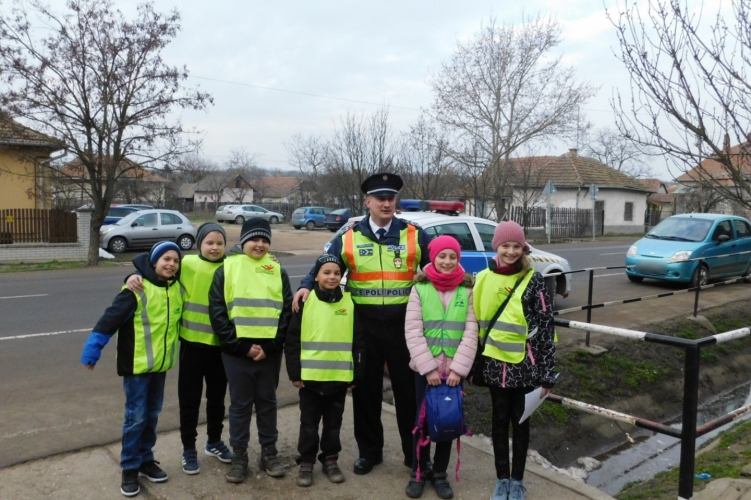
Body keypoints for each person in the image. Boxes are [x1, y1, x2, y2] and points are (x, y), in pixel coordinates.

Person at [293, 172, 432, 475]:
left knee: (409, 394)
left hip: (403, 327)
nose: (386, 203)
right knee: (366, 393)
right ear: (368, 202)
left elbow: (440, 267)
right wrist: (305, 285)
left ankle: (415, 455)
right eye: (380, 198)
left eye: (391, 198)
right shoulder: (349, 236)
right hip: (363, 327)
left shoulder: (415, 234)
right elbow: (324, 265)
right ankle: (369, 453)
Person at [125, 223, 232, 475]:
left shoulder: (233, 266)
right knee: (189, 400)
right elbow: (156, 270)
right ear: (199, 244)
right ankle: (189, 448)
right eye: (209, 243)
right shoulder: (187, 264)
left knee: (217, 399)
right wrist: (131, 276)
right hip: (192, 345)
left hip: (222, 347)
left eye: (219, 243)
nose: (214, 247)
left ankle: (214, 441)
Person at [80, 242, 184, 498]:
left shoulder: (176, 288)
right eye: (166, 259)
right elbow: (110, 319)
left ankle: (146, 460)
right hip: (137, 367)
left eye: (175, 260)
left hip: (160, 366)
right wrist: (93, 349)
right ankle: (129, 467)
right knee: (135, 418)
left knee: (152, 415)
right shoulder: (136, 289)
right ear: (154, 261)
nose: (171, 264)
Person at [470, 221, 556, 500]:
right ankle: (502, 480)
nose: (510, 251)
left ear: (523, 248)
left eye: (516, 246)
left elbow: (546, 328)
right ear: (496, 246)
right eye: (505, 246)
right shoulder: (483, 278)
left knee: (520, 424)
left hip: (525, 367)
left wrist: (547, 373)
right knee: (498, 422)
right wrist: (472, 365)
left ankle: (517, 481)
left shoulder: (534, 280)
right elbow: (475, 325)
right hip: (494, 364)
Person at [208, 217, 293, 484]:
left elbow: (287, 312)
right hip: (237, 353)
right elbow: (217, 313)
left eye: (265, 239)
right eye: (255, 239)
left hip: (269, 353)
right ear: (244, 241)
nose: (260, 244)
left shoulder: (277, 270)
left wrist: (271, 346)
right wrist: (242, 347)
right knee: (240, 406)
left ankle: (269, 453)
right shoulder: (227, 269)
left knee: (267, 403)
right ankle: (239, 456)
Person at [404, 235, 478, 499]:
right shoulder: (420, 288)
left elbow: (471, 331)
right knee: (422, 423)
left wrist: (458, 369)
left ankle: (440, 473)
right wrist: (428, 368)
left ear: (459, 259)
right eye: (442, 256)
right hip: (426, 371)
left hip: (453, 373)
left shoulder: (467, 290)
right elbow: (413, 331)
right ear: (433, 258)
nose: (447, 262)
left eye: (453, 257)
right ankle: (419, 471)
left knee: (448, 421)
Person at [285, 254, 365, 488]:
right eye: (326, 272)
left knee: (333, 424)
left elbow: (358, 342)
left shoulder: (349, 303)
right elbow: (292, 340)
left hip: (338, 379)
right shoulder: (305, 302)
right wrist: (295, 373)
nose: (332, 277)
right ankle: (306, 461)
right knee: (308, 424)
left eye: (337, 273)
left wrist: (357, 373)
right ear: (316, 276)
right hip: (310, 380)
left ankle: (330, 459)